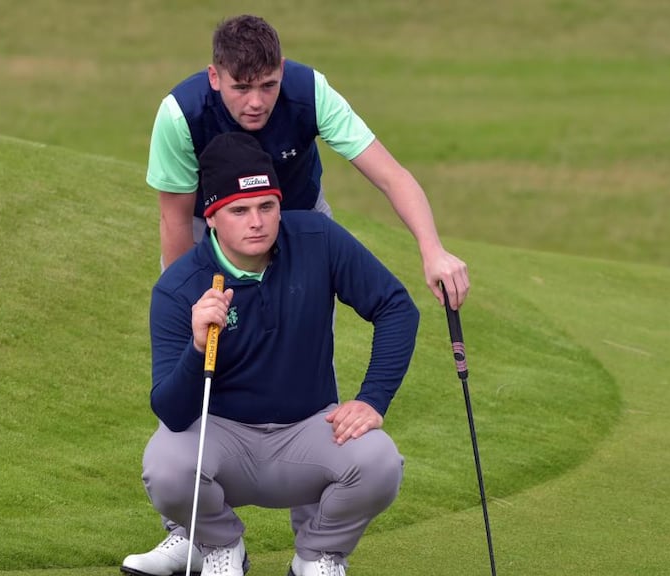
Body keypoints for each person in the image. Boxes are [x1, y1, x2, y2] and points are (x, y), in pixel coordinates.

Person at [122, 132, 420, 576]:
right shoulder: (181, 286)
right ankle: (219, 544)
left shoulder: (317, 238)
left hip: (308, 433)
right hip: (223, 439)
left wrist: (372, 398)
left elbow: (396, 306)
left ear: (281, 206)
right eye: (239, 211)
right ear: (213, 217)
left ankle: (317, 554)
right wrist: (198, 347)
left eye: (267, 206)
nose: (256, 222)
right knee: (166, 465)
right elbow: (170, 409)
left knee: (378, 461)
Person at [148, 13, 469, 310]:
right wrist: (189, 302)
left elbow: (391, 176)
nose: (256, 102)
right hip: (210, 225)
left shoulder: (311, 92)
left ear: (282, 71)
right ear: (214, 77)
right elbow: (175, 220)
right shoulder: (181, 114)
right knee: (197, 339)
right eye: (242, 88)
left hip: (298, 214)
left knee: (308, 343)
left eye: (268, 85)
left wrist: (433, 250)